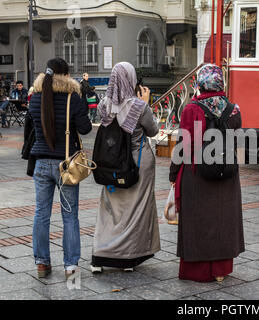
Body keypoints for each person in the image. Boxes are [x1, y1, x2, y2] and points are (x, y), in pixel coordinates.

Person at [169, 64, 245, 283]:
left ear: (200, 83)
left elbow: (183, 144)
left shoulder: (191, 108)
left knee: (198, 221)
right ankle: (220, 270)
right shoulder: (234, 109)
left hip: (197, 175)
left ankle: (198, 271)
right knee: (223, 220)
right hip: (227, 174)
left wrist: (174, 174)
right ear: (221, 82)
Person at [91, 62, 160, 273]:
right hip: (137, 163)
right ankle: (127, 257)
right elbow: (153, 131)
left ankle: (100, 254)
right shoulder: (139, 106)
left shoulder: (104, 105)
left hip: (110, 163)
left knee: (110, 209)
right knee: (135, 209)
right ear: (130, 79)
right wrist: (145, 102)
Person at [28, 58, 92, 279]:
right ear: (65, 75)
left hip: (41, 163)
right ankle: (70, 266)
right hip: (66, 165)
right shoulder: (71, 98)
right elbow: (84, 128)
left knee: (41, 213)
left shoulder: (35, 98)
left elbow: (32, 127)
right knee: (69, 215)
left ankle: (42, 263)